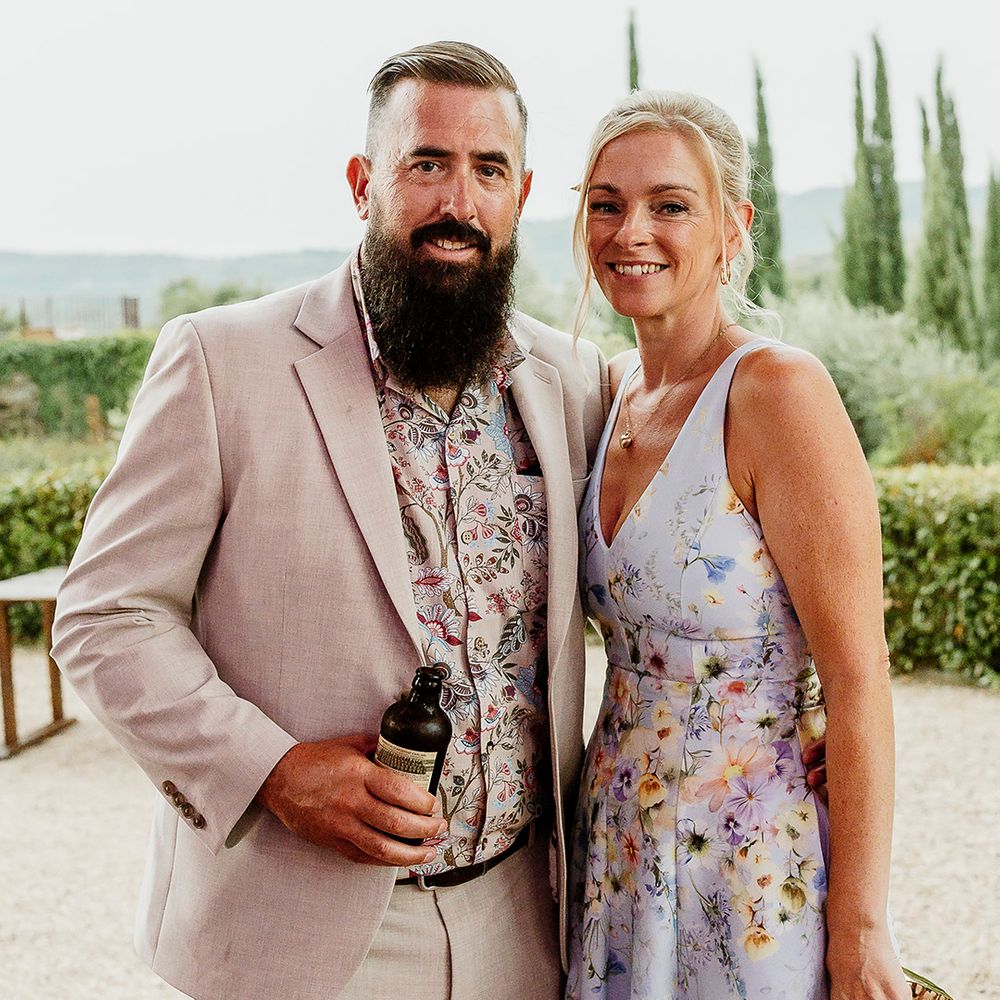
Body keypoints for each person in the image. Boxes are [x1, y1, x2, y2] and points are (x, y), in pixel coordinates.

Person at [52, 42, 609, 1000]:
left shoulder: (574, 380)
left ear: (522, 195)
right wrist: (273, 770)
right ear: (363, 183)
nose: (457, 204)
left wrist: (795, 715)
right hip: (303, 936)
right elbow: (106, 617)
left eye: (488, 171)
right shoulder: (222, 361)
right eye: (425, 163)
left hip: (526, 921)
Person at [565, 91, 907, 1000]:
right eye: (607, 202)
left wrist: (861, 927)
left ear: (731, 227)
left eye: (670, 204)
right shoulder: (604, 396)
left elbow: (859, 674)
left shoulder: (777, 391)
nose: (632, 229)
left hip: (752, 858)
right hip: (618, 844)